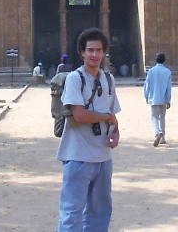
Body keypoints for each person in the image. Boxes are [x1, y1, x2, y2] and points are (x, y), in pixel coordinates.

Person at [57, 27, 121, 232]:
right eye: (90, 50)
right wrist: (107, 117)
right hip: (78, 157)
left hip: (103, 157)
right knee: (72, 214)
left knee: (100, 213)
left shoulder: (109, 79)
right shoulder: (75, 79)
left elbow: (112, 114)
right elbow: (80, 115)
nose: (95, 55)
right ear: (82, 52)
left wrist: (116, 130)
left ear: (104, 53)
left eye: (99, 50)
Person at [143, 52, 172, 147]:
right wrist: (168, 100)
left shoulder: (151, 71)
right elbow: (169, 87)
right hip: (163, 98)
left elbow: (147, 84)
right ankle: (163, 138)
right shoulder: (167, 71)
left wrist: (146, 95)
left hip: (154, 97)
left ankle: (157, 132)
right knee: (162, 117)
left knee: (154, 117)